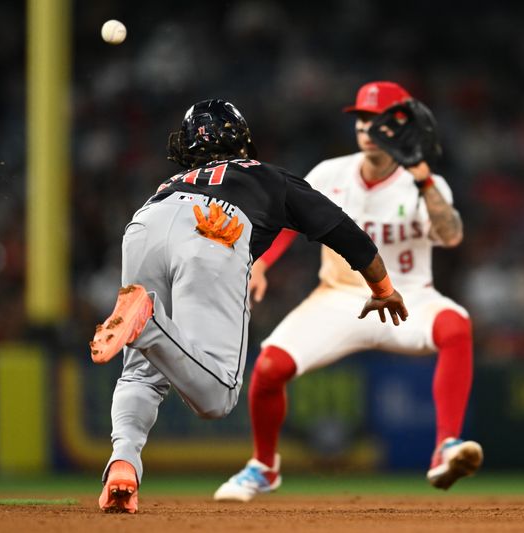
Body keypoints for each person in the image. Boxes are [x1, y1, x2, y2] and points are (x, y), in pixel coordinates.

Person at [89, 98, 409, 513]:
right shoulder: (265, 176)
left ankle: (123, 466)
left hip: (146, 221)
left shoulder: (172, 180)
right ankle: (147, 324)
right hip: (216, 225)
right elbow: (344, 231)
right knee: (217, 396)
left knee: (141, 373)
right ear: (241, 141)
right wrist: (382, 287)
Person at [213, 82, 482, 503]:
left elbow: (450, 236)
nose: (364, 126)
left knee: (456, 326)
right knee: (268, 369)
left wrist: (424, 179)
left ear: (401, 126)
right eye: (360, 117)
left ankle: (445, 447)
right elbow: (288, 219)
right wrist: (262, 263)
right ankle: (264, 467)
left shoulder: (425, 183)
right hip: (339, 298)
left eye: (376, 118)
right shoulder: (329, 173)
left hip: (408, 298)